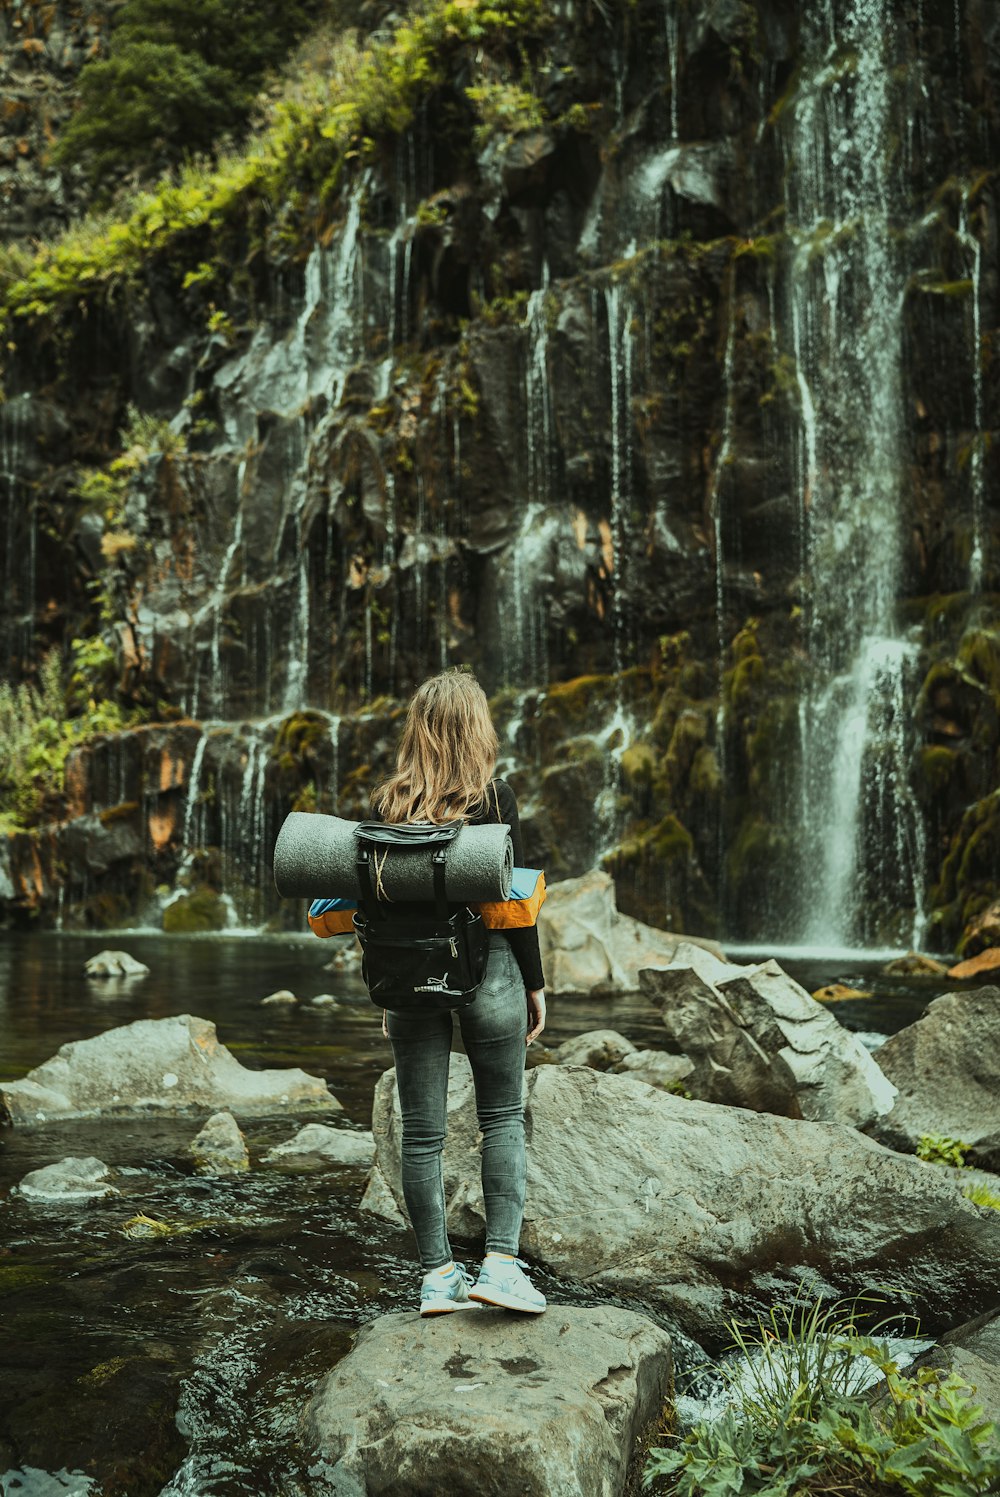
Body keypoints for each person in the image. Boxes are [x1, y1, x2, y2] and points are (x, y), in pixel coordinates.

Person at [369, 668, 547, 1317]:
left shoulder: (385, 806)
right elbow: (516, 902)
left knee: (421, 1134)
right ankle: (500, 1264)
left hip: (409, 980)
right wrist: (535, 983)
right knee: (501, 1116)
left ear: (418, 732)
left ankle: (437, 1277)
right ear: (477, 729)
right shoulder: (495, 799)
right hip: (491, 969)